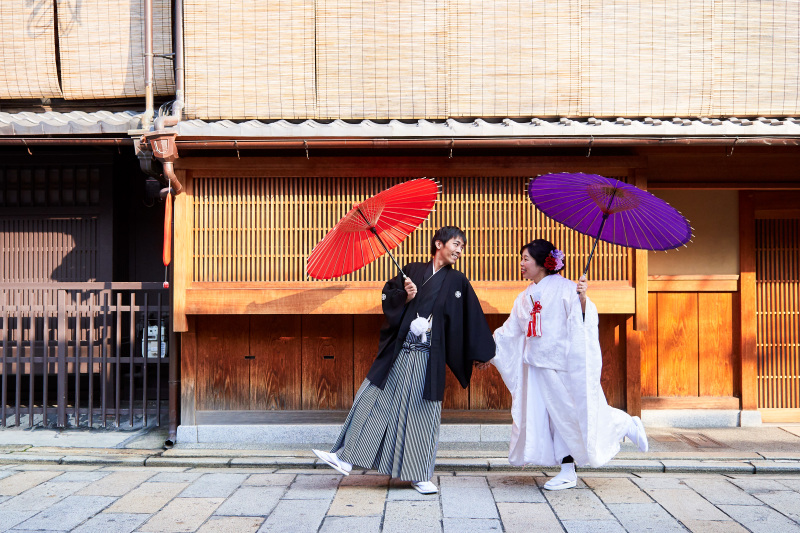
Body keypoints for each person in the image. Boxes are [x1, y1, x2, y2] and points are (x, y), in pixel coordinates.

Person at [313, 226, 496, 494]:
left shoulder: (458, 282)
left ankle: (420, 475)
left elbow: (469, 319)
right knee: (373, 398)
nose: (459, 251)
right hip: (400, 354)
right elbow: (389, 298)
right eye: (456, 244)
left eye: (462, 247)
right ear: (438, 244)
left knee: (422, 413)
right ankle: (344, 457)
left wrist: (482, 353)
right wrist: (405, 296)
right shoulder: (411, 270)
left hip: (427, 358)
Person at [483, 239, 648, 490]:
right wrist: (486, 351)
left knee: (572, 415)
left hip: (562, 366)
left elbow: (583, 321)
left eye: (526, 258)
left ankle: (624, 423)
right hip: (537, 367)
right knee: (552, 420)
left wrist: (582, 300)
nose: (521, 263)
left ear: (542, 263)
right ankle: (567, 471)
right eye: (522, 258)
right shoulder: (524, 296)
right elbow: (509, 332)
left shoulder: (568, 289)